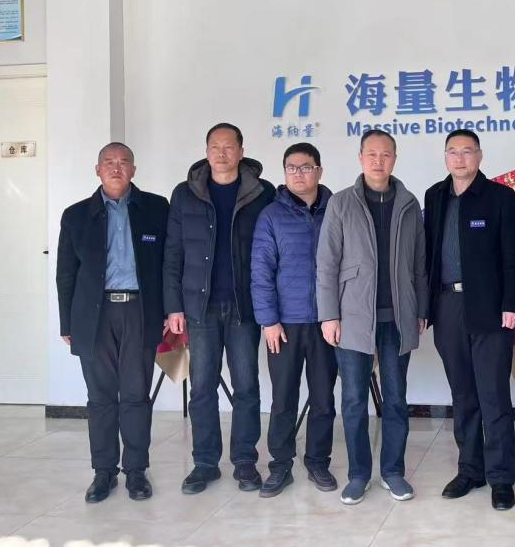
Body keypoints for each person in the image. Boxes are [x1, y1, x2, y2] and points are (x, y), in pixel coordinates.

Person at [316, 131, 429, 505]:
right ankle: (358, 474)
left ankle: (393, 471)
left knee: (396, 398)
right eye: (372, 154)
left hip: (397, 318)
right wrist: (328, 315)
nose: (379, 161)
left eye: (386, 154)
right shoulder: (341, 203)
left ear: (395, 158)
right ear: (360, 157)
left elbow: (419, 264)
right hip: (352, 317)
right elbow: (326, 264)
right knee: (353, 399)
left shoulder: (409, 204)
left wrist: (421, 309)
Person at [163, 123, 276, 494]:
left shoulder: (262, 192)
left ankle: (244, 461)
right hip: (200, 307)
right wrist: (174, 306)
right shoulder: (185, 194)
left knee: (246, 386)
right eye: (215, 146)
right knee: (202, 388)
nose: (222, 153)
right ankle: (205, 463)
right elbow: (173, 253)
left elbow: (272, 251)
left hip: (245, 306)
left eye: (229, 147)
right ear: (206, 151)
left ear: (241, 151)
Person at [55, 142, 170, 503]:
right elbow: (65, 274)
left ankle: (136, 471)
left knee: (136, 395)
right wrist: (66, 322)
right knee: (100, 397)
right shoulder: (76, 215)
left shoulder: (156, 208)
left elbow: (169, 264)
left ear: (134, 169)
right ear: (97, 170)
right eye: (109, 162)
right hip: (94, 316)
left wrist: (170, 311)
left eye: (123, 162)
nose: (116, 168)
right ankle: (103, 472)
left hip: (140, 312)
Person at [424, 129, 515, 511]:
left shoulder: (499, 196)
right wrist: (425, 308)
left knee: (493, 395)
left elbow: (514, 255)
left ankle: (501, 477)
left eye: (467, 151)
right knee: (463, 395)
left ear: (480, 156)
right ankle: (471, 469)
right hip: (447, 305)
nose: (460, 158)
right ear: (445, 157)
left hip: (490, 308)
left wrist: (512, 303)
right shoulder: (435, 196)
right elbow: (427, 257)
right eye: (453, 151)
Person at [251, 142, 337, 497]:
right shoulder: (271, 215)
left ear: (319, 170)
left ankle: (318, 462)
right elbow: (261, 271)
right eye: (292, 168)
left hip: (327, 323)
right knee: (283, 398)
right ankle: (280, 466)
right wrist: (268, 321)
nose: (299, 174)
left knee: (324, 398)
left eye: (306, 167)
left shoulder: (337, 209)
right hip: (284, 325)